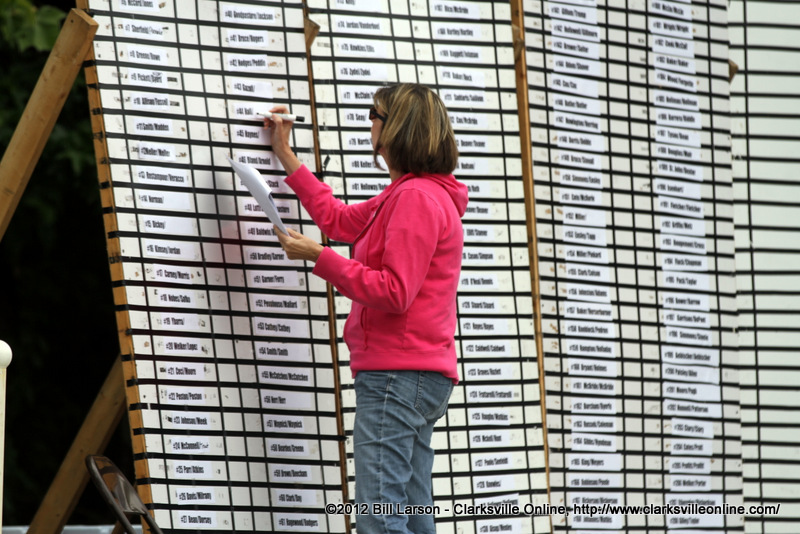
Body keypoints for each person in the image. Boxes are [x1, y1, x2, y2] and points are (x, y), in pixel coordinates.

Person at [265, 83, 468, 534]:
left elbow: (395, 291)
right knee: (412, 515)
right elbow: (339, 220)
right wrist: (286, 155)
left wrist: (320, 258)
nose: (369, 124)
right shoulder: (413, 193)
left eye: (374, 115)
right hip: (416, 374)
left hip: (397, 375)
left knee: (380, 517)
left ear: (396, 127)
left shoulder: (415, 197)